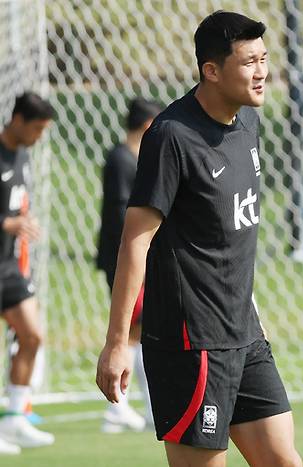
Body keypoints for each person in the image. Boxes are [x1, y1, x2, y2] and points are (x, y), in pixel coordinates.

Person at [96, 10, 303, 467]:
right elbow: (136, 241)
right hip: (192, 346)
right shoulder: (170, 136)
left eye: (264, 59)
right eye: (248, 62)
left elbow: (224, 240)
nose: (262, 72)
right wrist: (116, 343)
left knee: (284, 461)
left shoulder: (247, 123)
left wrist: (250, 310)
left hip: (245, 335)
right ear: (211, 70)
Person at [97, 97, 162, 432]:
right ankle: (119, 408)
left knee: (139, 330)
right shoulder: (121, 159)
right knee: (134, 330)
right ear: (150, 125)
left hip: (133, 256)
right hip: (122, 258)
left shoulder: (130, 158)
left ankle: (136, 407)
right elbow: (123, 213)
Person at [0, 92, 56, 453]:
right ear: (17, 119)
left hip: (7, 267)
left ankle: (16, 419)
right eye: (36, 128)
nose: (38, 136)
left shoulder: (22, 154)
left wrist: (24, 222)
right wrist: (9, 224)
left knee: (32, 336)